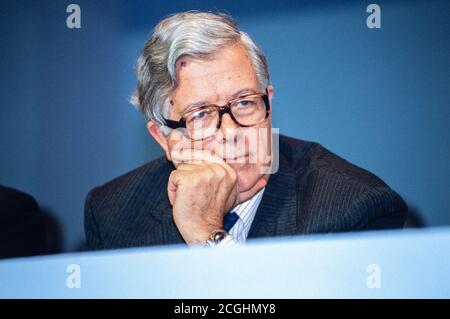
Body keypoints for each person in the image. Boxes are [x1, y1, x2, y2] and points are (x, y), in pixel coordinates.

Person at [84, 11, 407, 250]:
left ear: (268, 102)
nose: (231, 132)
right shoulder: (112, 213)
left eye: (243, 103)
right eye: (200, 114)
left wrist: (209, 236)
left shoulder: (354, 205)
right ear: (164, 139)